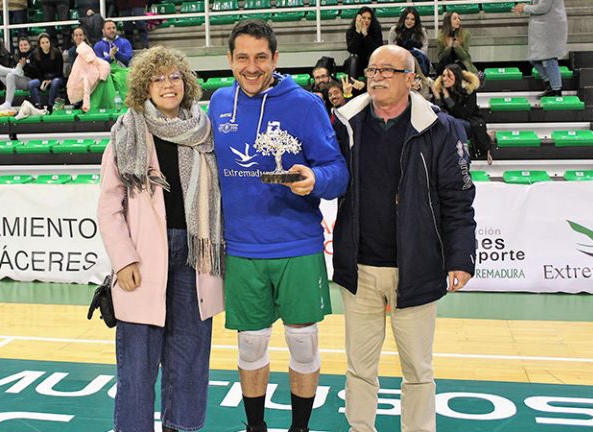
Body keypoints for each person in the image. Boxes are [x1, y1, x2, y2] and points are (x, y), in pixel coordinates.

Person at [208, 20, 349, 432]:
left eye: (260, 57)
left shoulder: (304, 104)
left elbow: (337, 171)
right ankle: (255, 428)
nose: (251, 67)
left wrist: (315, 181)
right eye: (242, 58)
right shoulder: (217, 102)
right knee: (250, 345)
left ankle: (300, 428)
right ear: (230, 60)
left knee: (303, 344)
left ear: (276, 58)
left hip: (297, 246)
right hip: (241, 249)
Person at [331, 45, 476, 432]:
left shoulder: (442, 129)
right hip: (359, 267)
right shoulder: (346, 123)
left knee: (417, 369)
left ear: (411, 80)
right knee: (359, 367)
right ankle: (359, 427)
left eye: (387, 70)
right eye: (372, 69)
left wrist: (461, 257)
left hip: (417, 267)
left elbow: (458, 200)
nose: (376, 76)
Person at [97, 45, 224, 432]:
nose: (167, 85)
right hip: (143, 259)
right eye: (157, 78)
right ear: (144, 87)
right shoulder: (127, 131)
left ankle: (181, 427)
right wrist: (124, 259)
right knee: (137, 364)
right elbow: (108, 205)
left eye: (174, 77)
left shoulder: (205, 131)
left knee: (188, 359)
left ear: (186, 83)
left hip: (195, 256)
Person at [432, 63, 492, 162]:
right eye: (443, 75)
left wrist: (448, 98)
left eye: (449, 76)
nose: (445, 78)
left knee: (454, 124)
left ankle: (461, 157)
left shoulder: (469, 90)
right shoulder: (441, 89)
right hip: (450, 123)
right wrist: (438, 97)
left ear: (457, 76)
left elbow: (465, 114)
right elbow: (438, 113)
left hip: (470, 122)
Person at [513, 0, 568, 98]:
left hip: (550, 27)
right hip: (544, 27)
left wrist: (525, 8)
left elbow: (543, 7)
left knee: (549, 58)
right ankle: (551, 85)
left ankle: (556, 90)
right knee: (534, 59)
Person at [66, 32, 111, 111]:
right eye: (76, 35)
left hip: (89, 71)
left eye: (80, 35)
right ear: (73, 37)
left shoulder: (89, 49)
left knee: (103, 79)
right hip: (77, 73)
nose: (78, 37)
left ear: (84, 36)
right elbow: (74, 66)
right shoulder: (71, 51)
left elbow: (95, 60)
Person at [0, 37, 34, 112]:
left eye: (25, 45)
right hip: (14, 80)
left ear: (30, 45)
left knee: (10, 75)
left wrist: (25, 66)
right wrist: (17, 69)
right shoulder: (16, 56)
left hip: (28, 81)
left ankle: (7, 104)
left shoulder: (33, 55)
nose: (23, 47)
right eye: (21, 45)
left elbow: (35, 72)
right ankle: (15, 71)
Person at [27, 33, 66, 112]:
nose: (45, 44)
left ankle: (50, 105)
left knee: (55, 82)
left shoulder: (56, 53)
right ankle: (38, 105)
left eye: (47, 42)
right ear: (39, 45)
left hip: (57, 77)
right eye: (43, 43)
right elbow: (38, 72)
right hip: (43, 78)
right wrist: (43, 81)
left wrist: (50, 80)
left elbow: (59, 71)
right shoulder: (36, 54)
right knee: (31, 84)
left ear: (50, 43)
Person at [388, 7, 430, 76]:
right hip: (399, 60)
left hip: (417, 61)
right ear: (403, 19)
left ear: (416, 21)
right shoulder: (394, 30)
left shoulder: (422, 31)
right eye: (407, 18)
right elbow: (391, 49)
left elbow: (424, 52)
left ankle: (419, 80)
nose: (409, 21)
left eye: (412, 19)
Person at [345, 6, 383, 80]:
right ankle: (353, 85)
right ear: (358, 19)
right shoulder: (351, 32)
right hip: (357, 63)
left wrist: (365, 34)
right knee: (353, 59)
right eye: (364, 17)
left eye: (369, 18)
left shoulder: (376, 31)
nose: (366, 20)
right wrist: (358, 32)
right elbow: (352, 50)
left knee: (371, 58)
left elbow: (377, 50)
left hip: (371, 61)